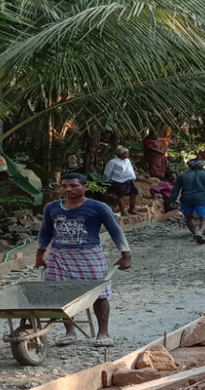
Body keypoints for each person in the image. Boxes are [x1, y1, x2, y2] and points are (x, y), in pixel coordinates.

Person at [37, 173, 132, 347]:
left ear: (85, 187)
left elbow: (115, 230)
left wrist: (126, 254)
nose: (68, 189)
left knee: (99, 295)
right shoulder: (52, 208)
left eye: (73, 186)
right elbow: (45, 231)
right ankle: (69, 332)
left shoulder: (98, 207)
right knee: (61, 295)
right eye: (64, 186)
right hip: (59, 256)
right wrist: (40, 254)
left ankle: (103, 333)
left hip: (88, 255)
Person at [170, 159, 205, 244]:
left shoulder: (182, 176)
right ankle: (200, 232)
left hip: (186, 199)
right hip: (202, 199)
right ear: (202, 166)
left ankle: (195, 232)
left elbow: (175, 189)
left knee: (189, 218)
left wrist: (173, 200)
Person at [104, 147, 139, 216]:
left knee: (134, 194)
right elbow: (107, 172)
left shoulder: (127, 160)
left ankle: (131, 209)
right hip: (119, 181)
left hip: (130, 179)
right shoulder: (113, 162)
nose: (127, 155)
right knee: (121, 196)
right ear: (119, 154)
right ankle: (123, 212)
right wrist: (107, 181)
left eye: (127, 153)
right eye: (125, 153)